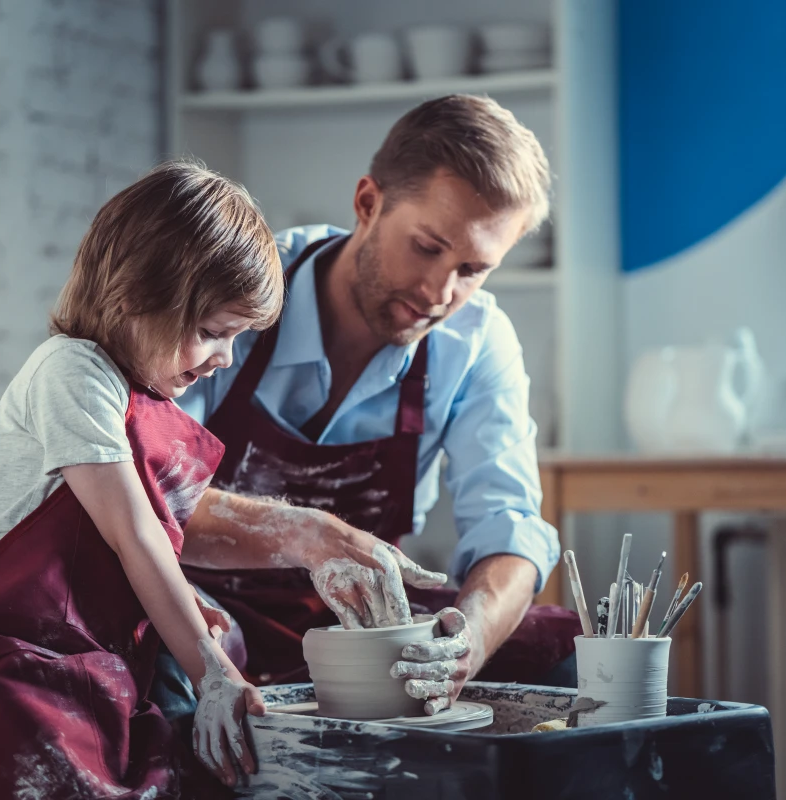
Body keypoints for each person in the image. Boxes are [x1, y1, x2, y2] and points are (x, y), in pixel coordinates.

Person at [0, 161, 295, 799]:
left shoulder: (146, 397)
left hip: (84, 669)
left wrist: (191, 624)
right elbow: (133, 534)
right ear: (134, 297)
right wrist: (212, 674)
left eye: (234, 338)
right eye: (211, 332)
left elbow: (127, 556)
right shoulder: (72, 371)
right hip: (1, 670)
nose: (223, 359)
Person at [159, 94, 582, 720]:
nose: (441, 292)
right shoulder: (237, 290)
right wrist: (307, 534)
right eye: (428, 246)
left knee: (558, 652)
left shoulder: (476, 344)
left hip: (358, 625)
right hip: (202, 604)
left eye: (472, 269)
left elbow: (510, 526)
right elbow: (143, 491)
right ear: (367, 204)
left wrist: (466, 642)